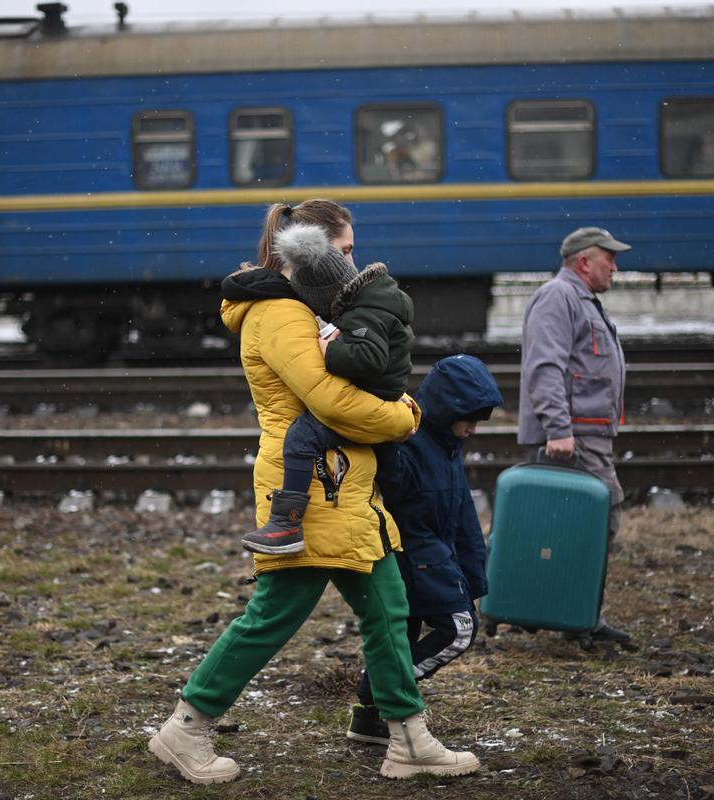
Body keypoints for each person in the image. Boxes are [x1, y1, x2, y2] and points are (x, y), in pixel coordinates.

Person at [148, 199, 480, 784]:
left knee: (389, 609)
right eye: (345, 250)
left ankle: (409, 739)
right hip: (308, 489)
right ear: (312, 251)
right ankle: (186, 728)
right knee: (274, 615)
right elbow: (329, 402)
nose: (354, 263)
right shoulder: (279, 315)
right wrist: (405, 416)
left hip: (342, 485)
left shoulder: (303, 308)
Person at [349, 354, 503, 745]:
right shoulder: (406, 443)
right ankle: (382, 695)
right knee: (459, 630)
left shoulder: (449, 447)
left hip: (433, 560)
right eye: (468, 418)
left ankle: (369, 719)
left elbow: (463, 516)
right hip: (413, 559)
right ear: (446, 409)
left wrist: (473, 575)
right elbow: (397, 487)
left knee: (403, 635)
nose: (472, 429)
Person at [240, 221, 414, 555]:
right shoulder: (375, 302)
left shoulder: (360, 314)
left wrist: (330, 350)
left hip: (372, 396)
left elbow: (362, 366)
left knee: (301, 437)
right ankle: (404, 502)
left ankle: (286, 523)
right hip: (383, 397)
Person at [517, 226, 633, 645]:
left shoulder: (581, 301)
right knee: (599, 519)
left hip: (587, 435)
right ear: (585, 261)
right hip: (575, 438)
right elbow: (545, 367)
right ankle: (577, 616)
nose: (615, 267)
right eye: (609, 259)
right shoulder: (559, 297)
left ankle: (561, 611)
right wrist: (559, 428)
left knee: (562, 527)